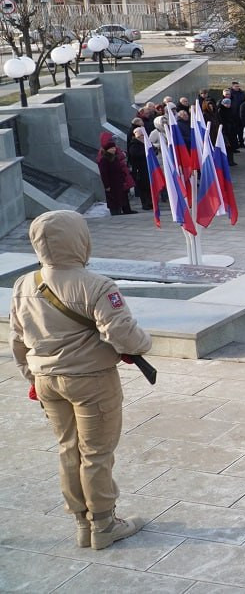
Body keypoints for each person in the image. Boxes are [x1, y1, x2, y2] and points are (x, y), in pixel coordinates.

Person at [9, 210, 153, 550]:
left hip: (47, 381)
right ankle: (103, 525)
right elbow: (123, 334)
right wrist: (144, 344)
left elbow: (17, 340)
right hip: (91, 382)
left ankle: (82, 524)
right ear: (80, 240)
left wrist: (33, 376)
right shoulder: (97, 285)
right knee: (96, 453)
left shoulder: (24, 284)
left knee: (68, 450)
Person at [96, 133, 135, 215]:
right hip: (112, 183)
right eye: (111, 148)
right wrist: (107, 186)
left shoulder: (115, 157)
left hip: (119, 181)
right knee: (114, 199)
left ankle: (124, 210)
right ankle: (116, 212)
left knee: (121, 196)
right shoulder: (104, 159)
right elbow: (104, 174)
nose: (114, 149)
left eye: (114, 148)